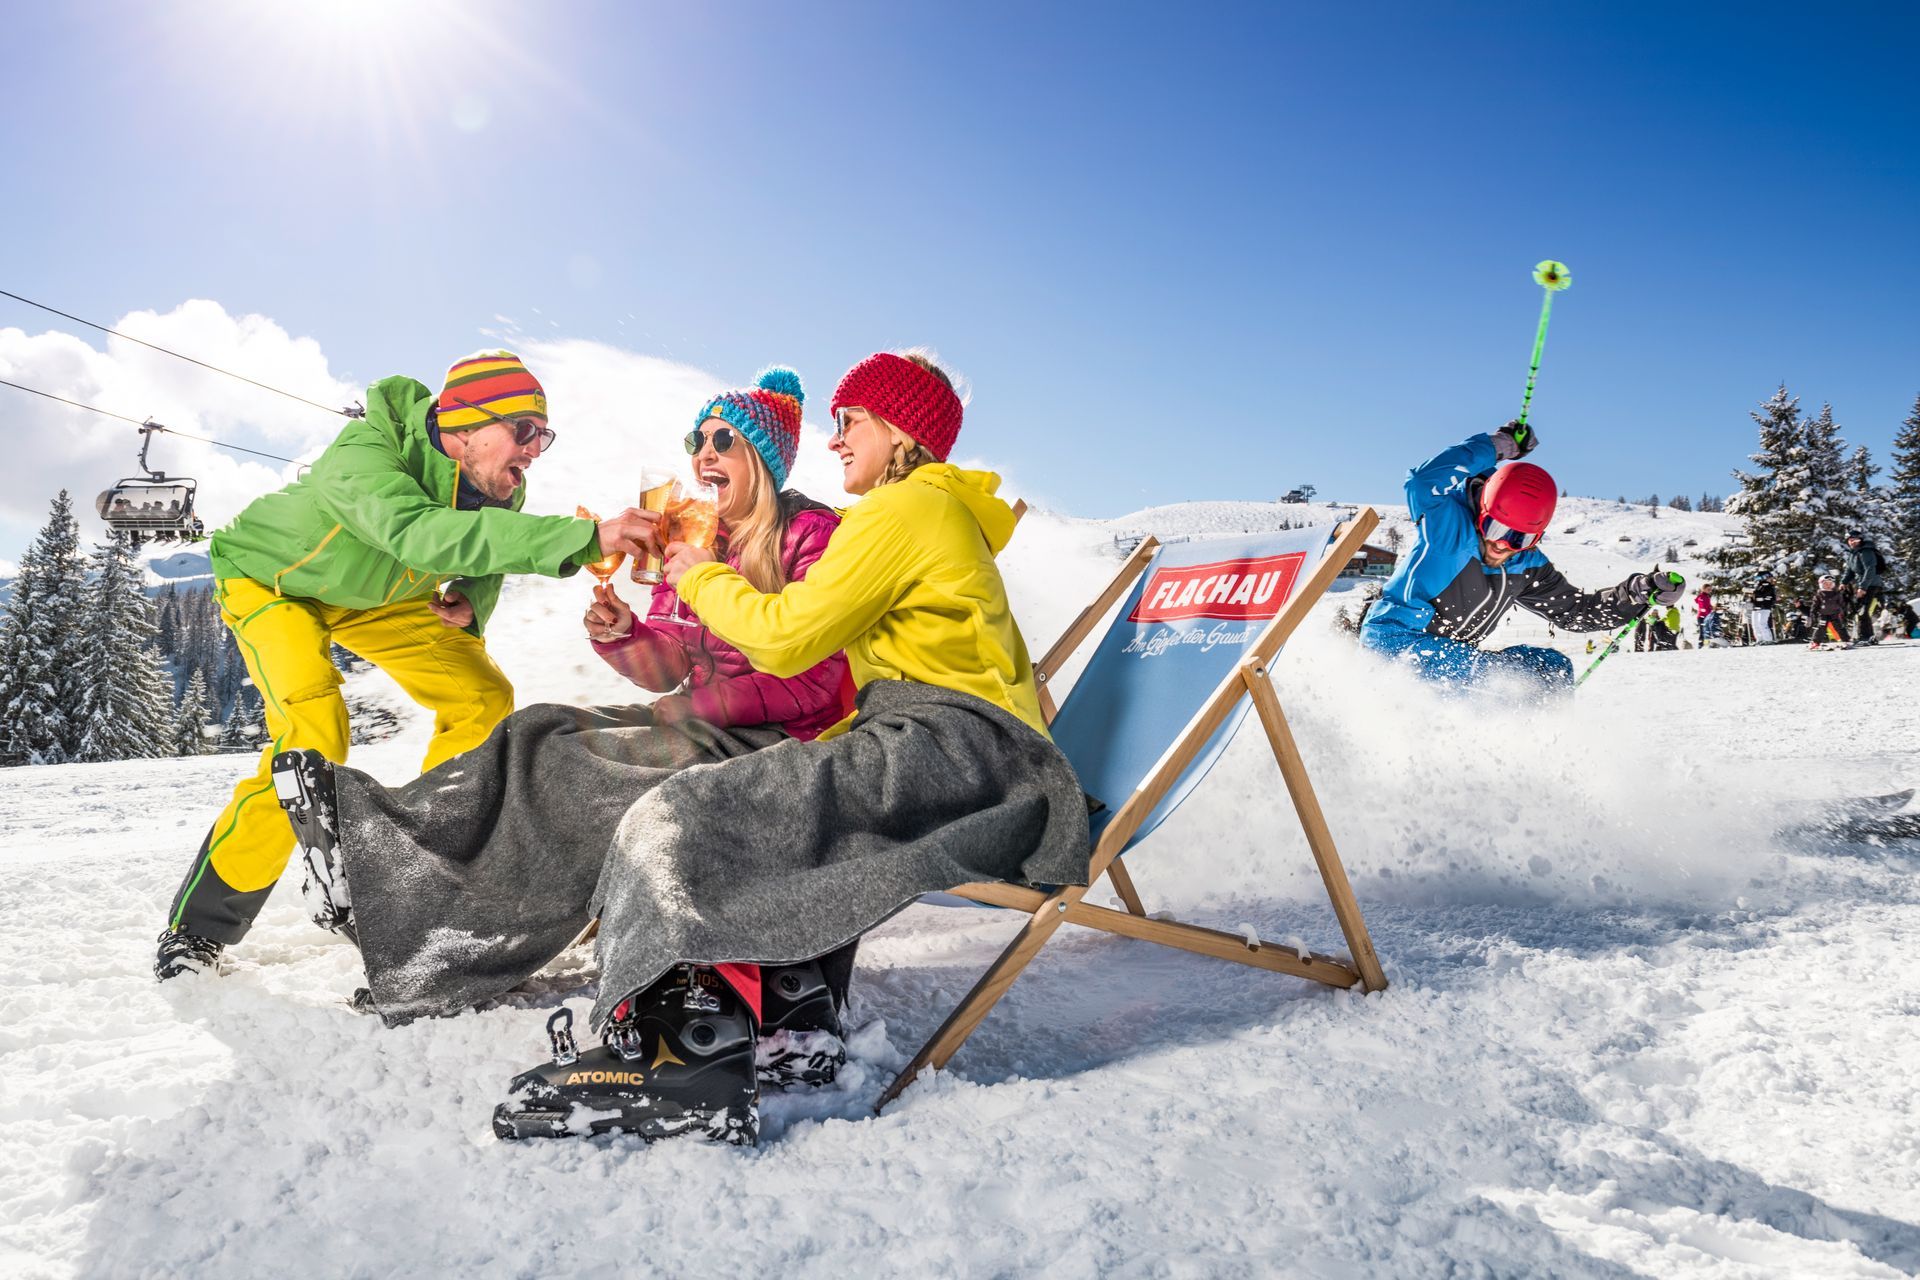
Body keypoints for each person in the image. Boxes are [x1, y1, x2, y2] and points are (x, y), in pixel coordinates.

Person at [275, 350, 1090, 1146]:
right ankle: (412, 889)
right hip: (925, 741)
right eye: (696, 441)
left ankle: (690, 1052)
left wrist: (698, 579)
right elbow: (705, 649)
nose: (837, 438)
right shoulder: (886, 514)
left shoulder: (884, 515)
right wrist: (636, 634)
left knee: (689, 807)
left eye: (851, 422)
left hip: (951, 750)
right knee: (551, 736)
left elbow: (794, 644)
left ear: (898, 430)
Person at [154, 351, 657, 980]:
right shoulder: (364, 452)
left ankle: (422, 873)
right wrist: (585, 538)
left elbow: (488, 548)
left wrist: (472, 598)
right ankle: (197, 930)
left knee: (481, 696)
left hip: (382, 599)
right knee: (313, 730)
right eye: (525, 432)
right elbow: (416, 534)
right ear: (466, 422)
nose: (534, 450)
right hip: (275, 583)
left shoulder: (502, 481)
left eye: (543, 436)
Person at [1358, 423, 1685, 691]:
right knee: (1488, 676)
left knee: (1551, 669)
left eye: (1521, 538)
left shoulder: (1527, 566)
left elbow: (1575, 611)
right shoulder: (1449, 531)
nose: (1503, 545)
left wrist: (1638, 593)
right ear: (1481, 513)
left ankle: (1537, 754)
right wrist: (1497, 446)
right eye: (1496, 529)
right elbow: (1421, 482)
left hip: (1457, 660)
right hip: (1396, 644)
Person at [1839, 529, 1886, 645]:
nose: (1853, 542)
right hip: (1863, 584)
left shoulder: (1866, 551)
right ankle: (1866, 636)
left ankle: (1866, 637)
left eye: (1855, 539)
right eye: (1850, 540)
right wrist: (1843, 582)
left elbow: (1870, 569)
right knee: (1859, 611)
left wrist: (1863, 587)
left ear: (1860, 540)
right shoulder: (1853, 553)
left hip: (1872, 584)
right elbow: (1849, 570)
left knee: (1863, 611)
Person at [1809, 575, 1850, 649]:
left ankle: (1846, 641)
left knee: (1840, 627)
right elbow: (1815, 605)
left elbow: (1841, 604)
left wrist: (1843, 612)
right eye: (1825, 584)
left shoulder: (1837, 593)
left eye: (1830, 584)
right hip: (1823, 615)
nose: (1828, 586)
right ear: (1821, 584)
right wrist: (1813, 613)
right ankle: (1815, 642)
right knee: (1821, 628)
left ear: (1833, 584)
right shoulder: (1819, 594)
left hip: (1835, 614)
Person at [1750, 572, 1777, 644]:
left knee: (1762, 623)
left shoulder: (1768, 586)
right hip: (1756, 607)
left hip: (1764, 606)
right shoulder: (1759, 585)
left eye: (1758, 578)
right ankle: (1760, 639)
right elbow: (1755, 597)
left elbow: (1763, 594)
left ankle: (1768, 639)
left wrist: (1755, 593)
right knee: (1755, 624)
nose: (1757, 580)